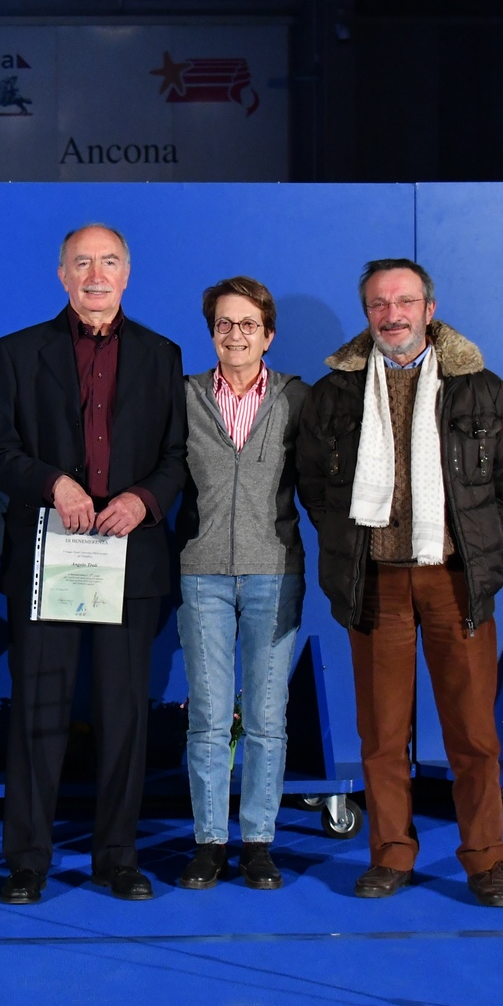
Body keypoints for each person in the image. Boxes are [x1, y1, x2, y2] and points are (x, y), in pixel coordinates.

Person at [298, 258, 503, 907]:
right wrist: (354, 546)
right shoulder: (333, 394)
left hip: (454, 580)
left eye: (404, 302)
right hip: (374, 583)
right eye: (378, 304)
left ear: (430, 309)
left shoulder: (482, 389)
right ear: (366, 314)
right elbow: (315, 487)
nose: (392, 315)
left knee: (474, 734)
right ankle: (391, 855)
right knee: (381, 735)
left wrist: (470, 544)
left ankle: (487, 861)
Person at [0, 224, 187, 903]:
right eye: (82, 263)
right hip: (47, 556)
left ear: (127, 273)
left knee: (124, 714)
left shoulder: (162, 355)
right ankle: (27, 860)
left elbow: (177, 456)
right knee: (38, 711)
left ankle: (117, 857)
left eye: (109, 262)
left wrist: (143, 499)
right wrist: (53, 484)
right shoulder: (18, 352)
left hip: (132, 558)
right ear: (62, 274)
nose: (96, 276)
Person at [173, 277, 310, 891]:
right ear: (211, 333)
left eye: (248, 324)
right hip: (201, 571)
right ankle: (209, 842)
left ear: (268, 335)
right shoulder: (184, 396)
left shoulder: (296, 398)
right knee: (207, 715)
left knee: (266, 717)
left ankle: (258, 843)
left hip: (274, 574)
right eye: (224, 324)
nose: (236, 335)